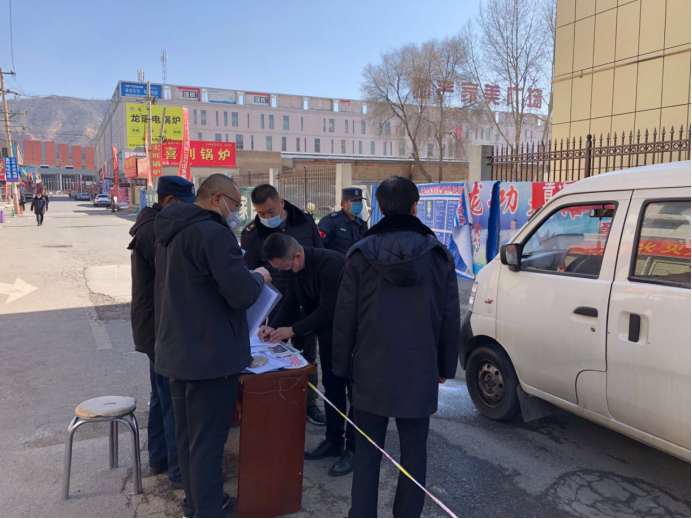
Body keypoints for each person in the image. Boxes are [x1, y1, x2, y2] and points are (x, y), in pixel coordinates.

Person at [333, 176, 461, 519]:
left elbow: (345, 316)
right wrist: (445, 366)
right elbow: (450, 316)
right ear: (415, 206)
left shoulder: (359, 254)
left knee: (367, 452)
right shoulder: (438, 255)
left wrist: (341, 367)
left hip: (370, 368)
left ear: (379, 207)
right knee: (414, 455)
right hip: (420, 369)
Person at [154, 174, 271, 519]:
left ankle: (195, 503)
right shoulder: (212, 233)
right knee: (207, 443)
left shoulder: (169, 230)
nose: (237, 212)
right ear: (217, 199)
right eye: (236, 205)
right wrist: (259, 277)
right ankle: (207, 510)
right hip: (209, 357)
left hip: (177, 352)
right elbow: (241, 293)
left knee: (188, 438)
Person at [258, 234, 355, 477]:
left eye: (283, 268)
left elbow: (328, 310)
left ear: (297, 256)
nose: (283, 273)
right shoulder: (294, 269)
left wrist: (292, 330)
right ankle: (333, 441)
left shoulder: (331, 264)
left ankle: (355, 449)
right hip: (328, 338)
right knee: (332, 388)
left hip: (351, 337)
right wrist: (273, 326)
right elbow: (291, 301)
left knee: (355, 393)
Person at [128, 177, 196, 490]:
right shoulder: (156, 231)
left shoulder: (151, 225)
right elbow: (175, 279)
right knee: (173, 400)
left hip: (153, 326)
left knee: (161, 395)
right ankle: (180, 471)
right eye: (186, 205)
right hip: (159, 328)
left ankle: (159, 458)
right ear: (170, 202)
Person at [241, 184, 327, 426]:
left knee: (307, 357)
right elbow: (248, 274)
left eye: (270, 212)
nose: (267, 217)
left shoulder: (305, 222)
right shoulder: (252, 233)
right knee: (268, 356)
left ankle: (309, 404)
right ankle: (272, 403)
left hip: (306, 302)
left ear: (281, 202)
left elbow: (318, 255)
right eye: (261, 213)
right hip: (276, 304)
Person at [318, 187, 368, 255]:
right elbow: (320, 246)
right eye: (354, 201)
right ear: (344, 202)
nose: (358, 203)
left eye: (360, 200)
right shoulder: (330, 221)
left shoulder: (361, 225)